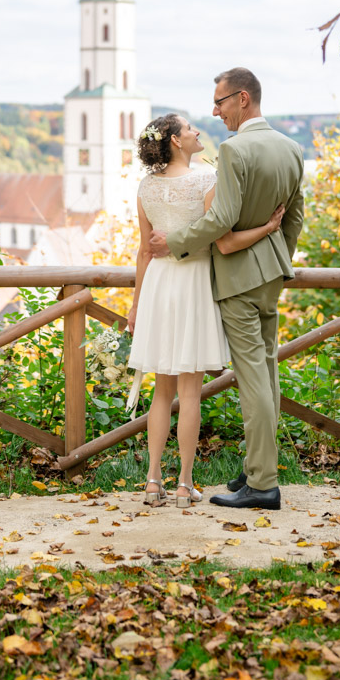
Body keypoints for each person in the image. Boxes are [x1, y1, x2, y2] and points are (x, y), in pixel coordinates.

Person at [149, 68, 305, 511]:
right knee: (268, 371)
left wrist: (174, 243)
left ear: (242, 99)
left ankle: (262, 483)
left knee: (253, 376)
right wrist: (277, 259)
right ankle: (258, 466)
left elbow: (221, 220)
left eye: (219, 102)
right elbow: (293, 219)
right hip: (272, 273)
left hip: (237, 276)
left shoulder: (235, 150)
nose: (214, 111)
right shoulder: (292, 148)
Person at [127, 113, 284, 509]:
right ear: (176, 142)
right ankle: (183, 485)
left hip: (159, 287)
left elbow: (145, 251)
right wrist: (267, 228)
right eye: (190, 128)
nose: (198, 132)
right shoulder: (206, 181)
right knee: (190, 393)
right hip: (194, 284)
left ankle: (151, 482)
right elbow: (226, 243)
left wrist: (135, 306)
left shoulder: (145, 187)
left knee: (161, 392)